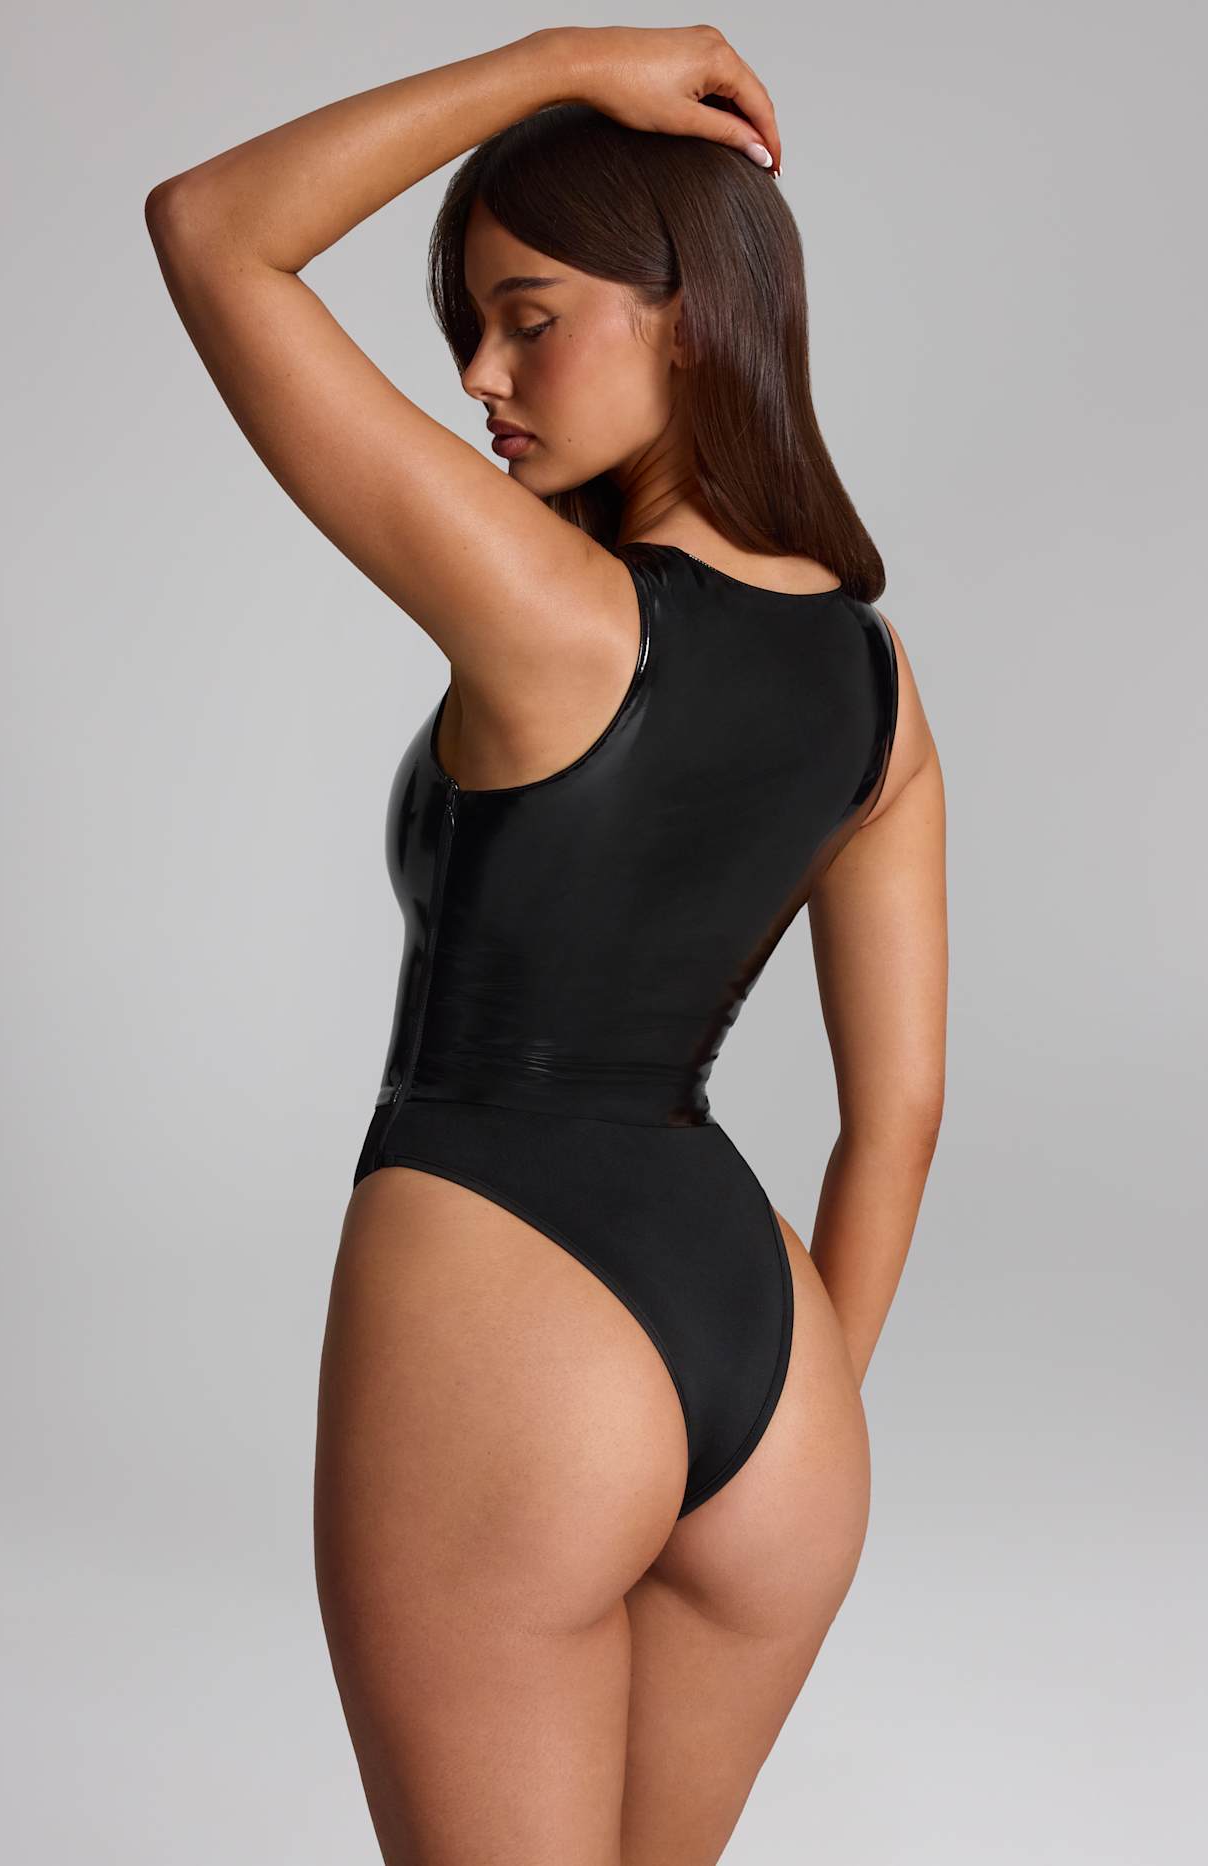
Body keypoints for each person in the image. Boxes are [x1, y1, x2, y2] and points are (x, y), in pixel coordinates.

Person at [145, 23, 947, 1864]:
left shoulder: (552, 612)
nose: (480, 376)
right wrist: (794, 1431)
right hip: (774, 1378)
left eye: (530, 319)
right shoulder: (881, 685)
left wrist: (563, 61)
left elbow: (212, 229)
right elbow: (897, 1118)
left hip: (509, 1312)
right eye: (469, 328)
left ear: (691, 320)